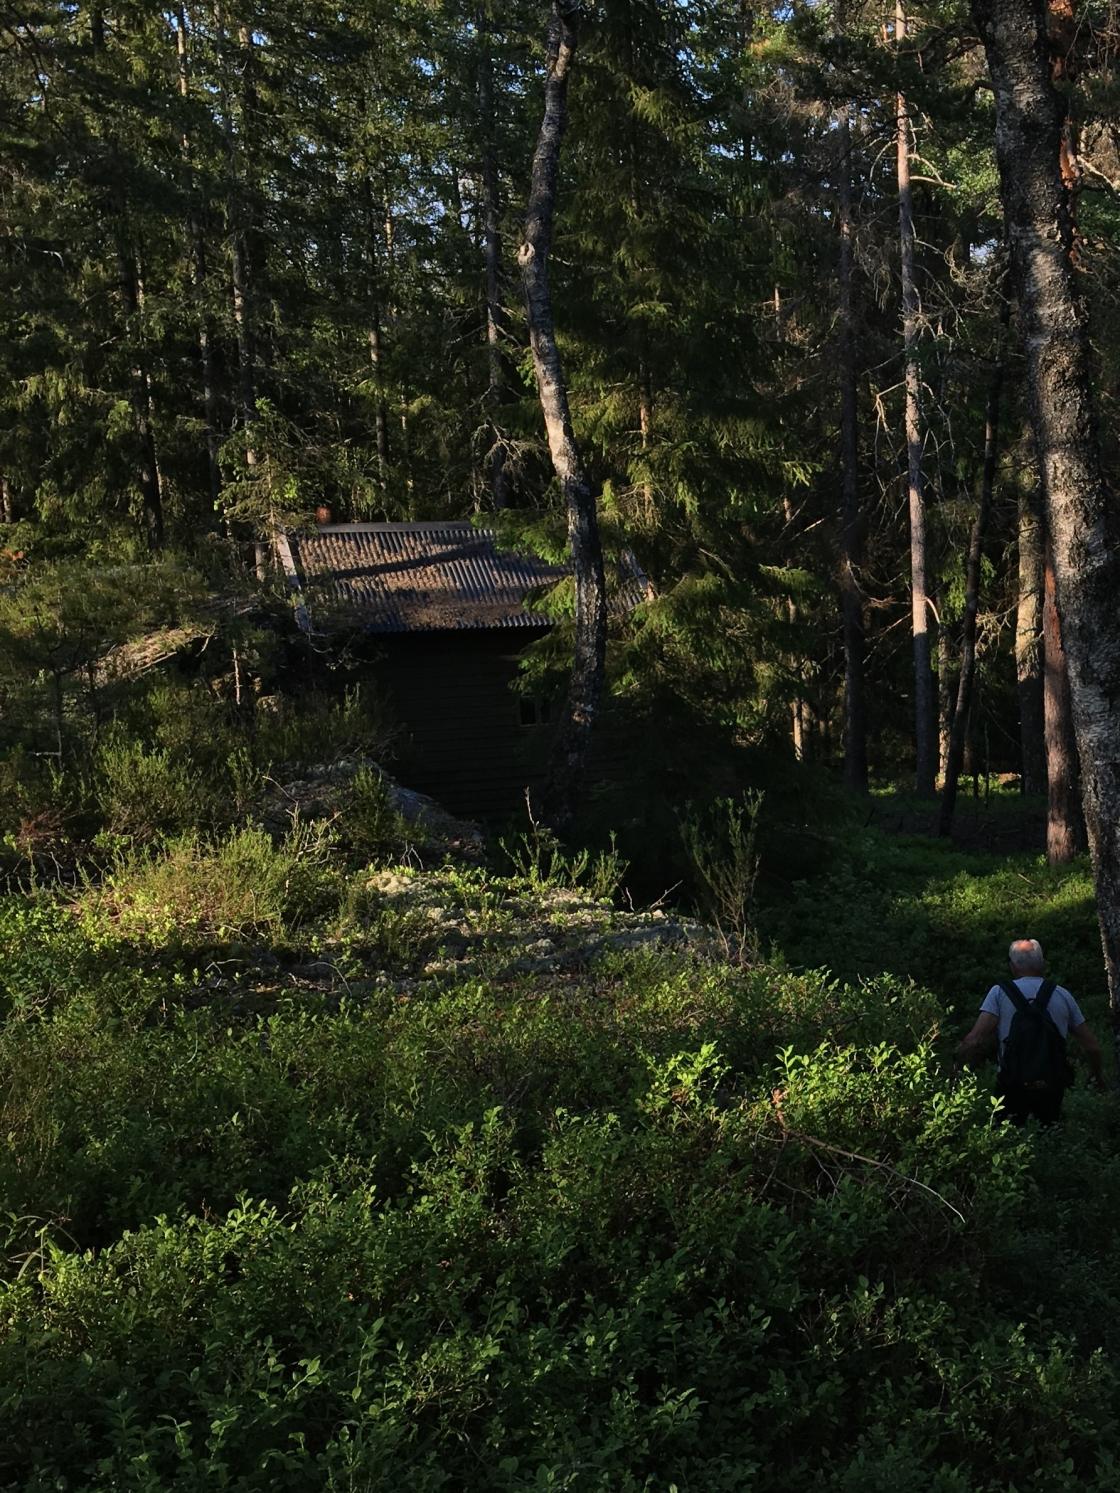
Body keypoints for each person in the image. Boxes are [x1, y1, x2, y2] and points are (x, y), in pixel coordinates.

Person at [957, 938, 1103, 1124]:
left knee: (1007, 1142)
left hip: (1011, 1084)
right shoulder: (1062, 994)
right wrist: (1097, 1077)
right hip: (1051, 1087)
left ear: (1012, 966)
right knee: (1050, 1136)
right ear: (1042, 964)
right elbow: (1092, 1047)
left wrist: (956, 1072)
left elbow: (974, 1040)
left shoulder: (999, 993)